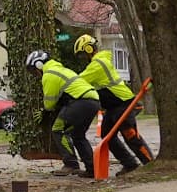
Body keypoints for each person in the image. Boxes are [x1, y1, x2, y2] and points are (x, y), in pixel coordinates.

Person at [74, 34, 154, 173]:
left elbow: (78, 81)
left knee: (130, 135)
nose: (82, 58)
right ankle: (129, 164)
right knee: (107, 136)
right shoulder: (97, 62)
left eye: (82, 54)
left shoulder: (97, 64)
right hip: (113, 107)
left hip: (123, 103)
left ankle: (150, 164)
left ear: (88, 49)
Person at [27, 49, 101, 178]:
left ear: (39, 65)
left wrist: (44, 112)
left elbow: (49, 104)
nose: (35, 74)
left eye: (34, 71)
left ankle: (70, 164)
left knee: (58, 129)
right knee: (78, 135)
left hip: (79, 102)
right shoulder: (61, 69)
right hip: (93, 101)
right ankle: (92, 169)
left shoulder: (49, 74)